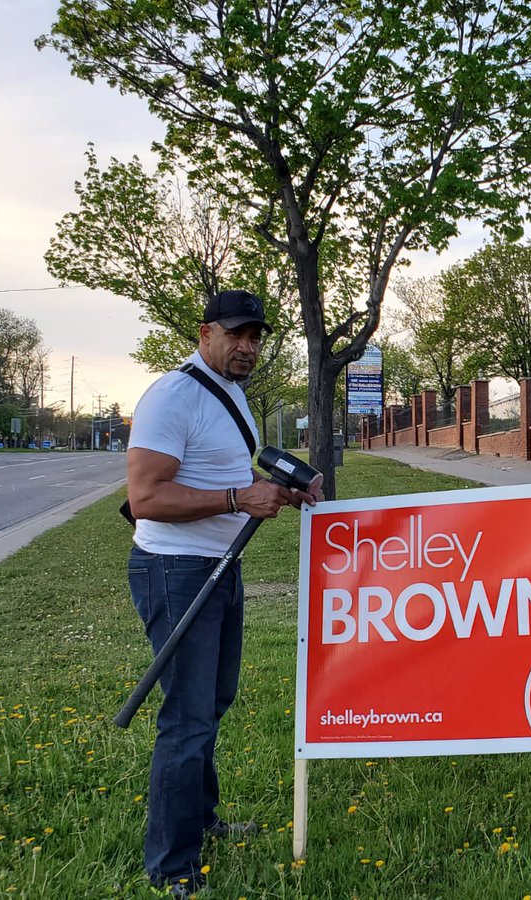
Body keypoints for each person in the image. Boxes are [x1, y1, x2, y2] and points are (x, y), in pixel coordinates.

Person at [125, 290, 321, 895]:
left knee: (212, 704)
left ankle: (202, 821)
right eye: (236, 334)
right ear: (205, 332)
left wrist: (273, 491)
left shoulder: (232, 393)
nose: (247, 347)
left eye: (256, 337)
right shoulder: (172, 396)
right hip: (176, 571)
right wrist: (240, 500)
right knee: (186, 719)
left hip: (220, 566)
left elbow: (222, 474)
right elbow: (145, 499)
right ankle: (171, 867)